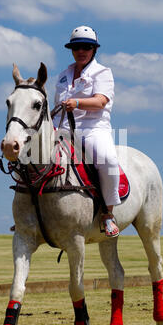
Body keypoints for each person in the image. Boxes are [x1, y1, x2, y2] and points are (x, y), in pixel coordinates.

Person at [53, 25, 121, 237]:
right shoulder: (63, 76)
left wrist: (78, 102)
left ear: (94, 50)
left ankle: (108, 214)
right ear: (71, 50)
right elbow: (56, 107)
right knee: (33, 156)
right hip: (63, 129)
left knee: (108, 159)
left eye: (86, 47)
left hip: (93, 128)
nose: (81, 51)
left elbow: (100, 101)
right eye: (77, 47)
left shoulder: (103, 72)